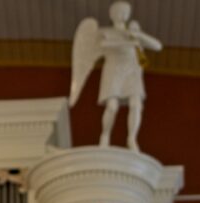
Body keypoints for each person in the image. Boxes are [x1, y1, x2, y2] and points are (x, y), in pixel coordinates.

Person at [70, 1, 163, 151]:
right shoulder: (105, 32)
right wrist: (126, 42)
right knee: (112, 106)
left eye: (126, 11)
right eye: (120, 11)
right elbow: (103, 45)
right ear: (112, 14)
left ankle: (132, 139)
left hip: (132, 70)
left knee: (136, 104)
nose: (123, 14)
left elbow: (157, 47)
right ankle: (105, 136)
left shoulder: (134, 34)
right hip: (114, 70)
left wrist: (138, 35)